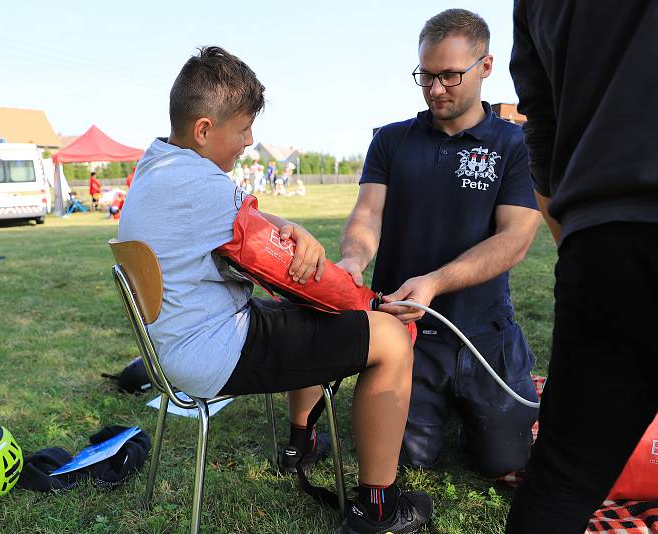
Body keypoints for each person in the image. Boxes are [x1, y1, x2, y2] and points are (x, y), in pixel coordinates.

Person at [118, 46, 433, 534]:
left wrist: (285, 225)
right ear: (204, 130)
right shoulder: (203, 187)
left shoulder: (159, 164)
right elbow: (302, 276)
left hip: (182, 343)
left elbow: (250, 222)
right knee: (387, 339)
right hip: (212, 351)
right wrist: (375, 307)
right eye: (242, 129)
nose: (249, 141)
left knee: (304, 316)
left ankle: (300, 441)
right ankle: (377, 511)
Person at [337, 9, 542, 479]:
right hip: (405, 335)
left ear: (485, 67)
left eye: (450, 76)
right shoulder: (391, 141)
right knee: (410, 459)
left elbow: (514, 240)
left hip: (483, 333)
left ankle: (481, 414)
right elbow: (367, 213)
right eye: (426, 76)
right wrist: (353, 256)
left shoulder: (515, 145)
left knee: (505, 462)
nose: (434, 90)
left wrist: (434, 282)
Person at [505, 3, 658, 533]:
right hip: (601, 230)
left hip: (602, 234)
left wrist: (579, 243)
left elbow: (541, 128)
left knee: (563, 477)